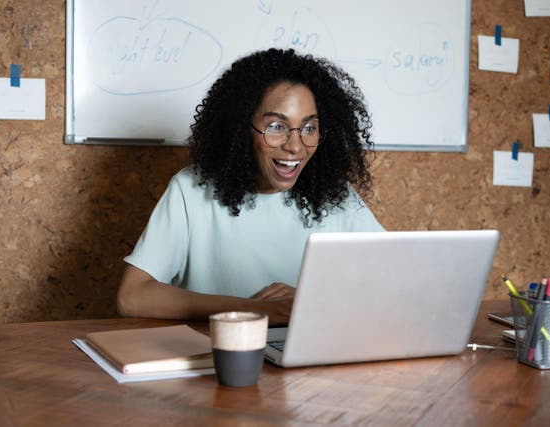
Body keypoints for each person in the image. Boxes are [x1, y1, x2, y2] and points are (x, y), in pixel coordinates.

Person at [116, 48, 384, 325]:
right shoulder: (191, 191)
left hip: (310, 356)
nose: (295, 145)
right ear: (241, 127)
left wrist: (312, 299)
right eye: (277, 126)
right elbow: (132, 297)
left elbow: (394, 281)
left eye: (309, 128)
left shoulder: (334, 196)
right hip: (220, 356)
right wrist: (252, 310)